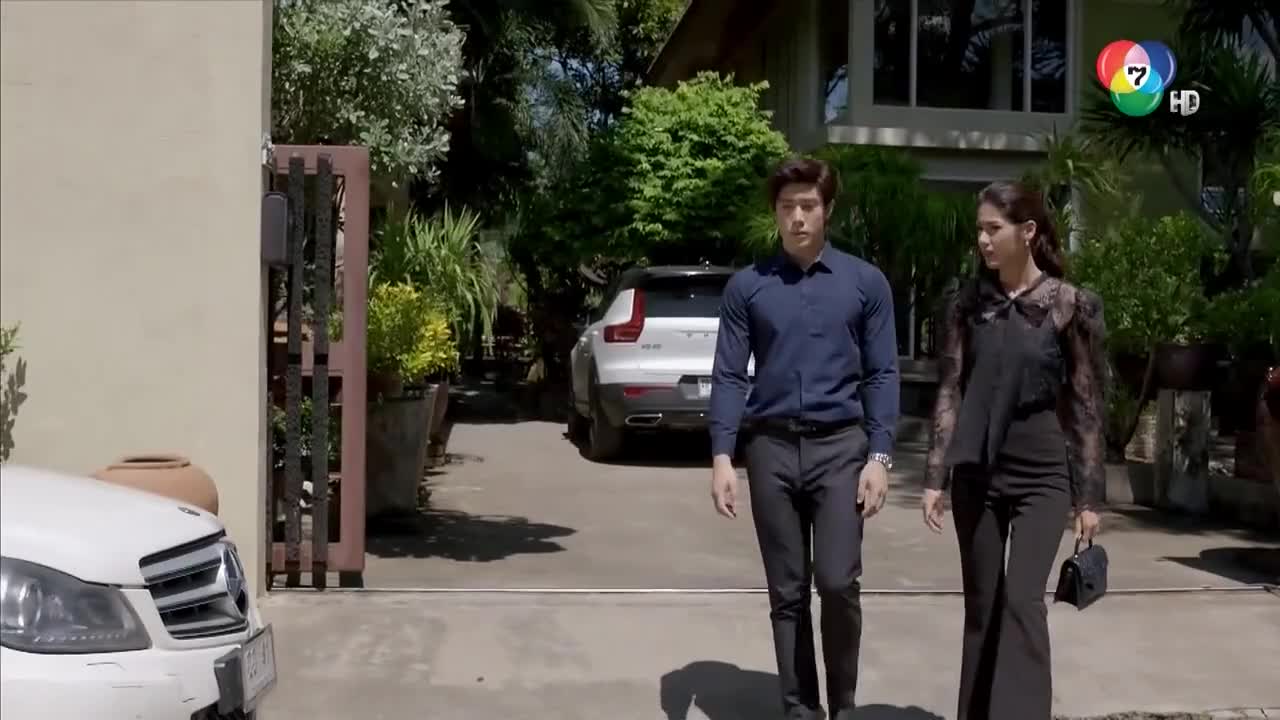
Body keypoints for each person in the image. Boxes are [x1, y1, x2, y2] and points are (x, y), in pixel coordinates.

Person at [709, 156, 900, 720]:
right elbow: (729, 375)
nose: (797, 217)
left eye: (808, 206)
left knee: (838, 583)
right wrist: (722, 456)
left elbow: (882, 373)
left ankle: (844, 706)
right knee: (787, 592)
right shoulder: (749, 287)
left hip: (841, 449)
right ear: (775, 212)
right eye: (787, 206)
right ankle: (800, 708)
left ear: (828, 210)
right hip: (770, 449)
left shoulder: (864, 283)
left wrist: (880, 455)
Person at [920, 180, 1106, 720]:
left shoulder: (1069, 305)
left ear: (1027, 232)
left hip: (1042, 473)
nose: (983, 240)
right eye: (979, 229)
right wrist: (935, 476)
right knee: (982, 604)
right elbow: (951, 389)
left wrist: (1088, 496)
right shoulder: (967, 304)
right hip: (976, 471)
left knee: (1023, 601)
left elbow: (1086, 403)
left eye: (993, 229)